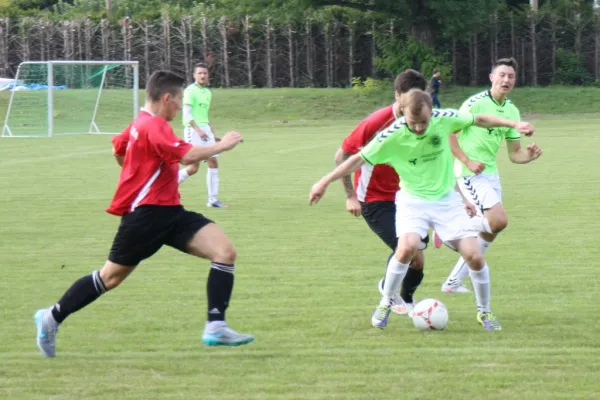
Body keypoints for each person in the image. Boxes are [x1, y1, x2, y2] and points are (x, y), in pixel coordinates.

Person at [33, 70, 254, 358]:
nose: (178, 107)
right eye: (177, 101)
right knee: (110, 277)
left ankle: (216, 325)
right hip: (146, 216)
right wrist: (223, 145)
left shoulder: (139, 123)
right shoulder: (155, 126)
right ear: (166, 98)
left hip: (171, 212)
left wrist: (138, 171)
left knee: (224, 252)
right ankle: (52, 316)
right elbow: (186, 155)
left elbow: (118, 149)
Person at [309, 89, 535, 331]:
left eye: (424, 122)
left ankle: (485, 312)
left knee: (474, 256)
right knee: (407, 247)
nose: (418, 128)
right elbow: (356, 159)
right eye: (412, 123)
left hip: (447, 201)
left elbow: (479, 119)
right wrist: (324, 182)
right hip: (412, 201)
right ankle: (386, 301)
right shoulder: (391, 136)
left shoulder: (444, 117)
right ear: (403, 113)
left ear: (431, 112)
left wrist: (514, 123)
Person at [440, 57, 543, 293]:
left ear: (515, 81)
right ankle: (448, 228)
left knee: (489, 231)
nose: (506, 80)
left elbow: (514, 154)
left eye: (511, 76)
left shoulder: (512, 111)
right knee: (499, 221)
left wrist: (529, 156)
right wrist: (467, 160)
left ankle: (452, 282)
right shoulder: (474, 104)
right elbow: (448, 133)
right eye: (502, 75)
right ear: (491, 78)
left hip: (491, 175)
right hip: (467, 172)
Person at [335, 69, 428, 316]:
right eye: (407, 99)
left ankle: (406, 299)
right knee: (405, 249)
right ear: (397, 96)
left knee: (417, 260)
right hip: (374, 200)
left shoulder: (422, 121)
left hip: (407, 198)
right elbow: (341, 155)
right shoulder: (375, 123)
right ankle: (388, 290)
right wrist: (350, 196)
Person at [181, 62, 228, 208]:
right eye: (200, 73)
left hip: (205, 129)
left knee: (213, 160)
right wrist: (197, 130)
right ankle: (165, 185)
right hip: (192, 130)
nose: (202, 75)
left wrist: (212, 133)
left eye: (205, 73)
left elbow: (205, 116)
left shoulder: (207, 93)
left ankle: (213, 200)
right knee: (193, 167)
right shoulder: (190, 91)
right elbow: (187, 113)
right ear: (194, 75)